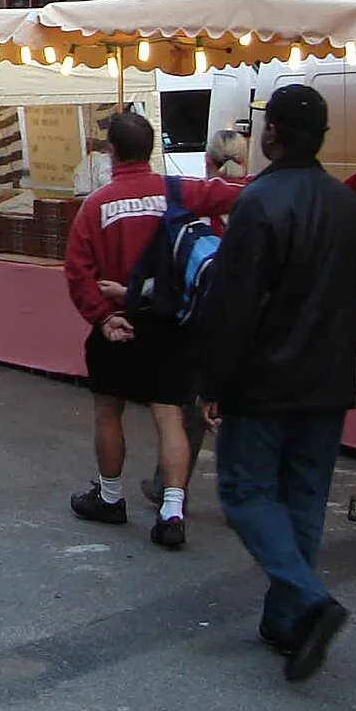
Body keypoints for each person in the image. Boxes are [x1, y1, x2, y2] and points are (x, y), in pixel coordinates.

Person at [195, 86, 356, 682]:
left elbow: (234, 302)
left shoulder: (261, 201)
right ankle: (287, 617)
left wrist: (214, 380)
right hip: (327, 375)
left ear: (272, 134)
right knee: (302, 498)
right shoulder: (345, 204)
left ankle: (308, 597)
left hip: (268, 375)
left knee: (246, 492)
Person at [63, 111, 245, 549]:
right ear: (150, 150)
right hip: (169, 324)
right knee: (170, 417)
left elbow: (77, 271)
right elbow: (236, 195)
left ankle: (109, 497)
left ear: (112, 153)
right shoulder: (177, 190)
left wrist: (102, 317)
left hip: (117, 325)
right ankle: (172, 511)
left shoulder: (95, 206)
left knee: (109, 412)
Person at [142, 126, 250, 511]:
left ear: (208, 162)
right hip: (246, 322)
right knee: (241, 411)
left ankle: (171, 487)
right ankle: (241, 495)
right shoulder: (255, 204)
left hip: (199, 323)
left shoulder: (196, 206)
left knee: (188, 410)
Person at [72, 132, 114, 196]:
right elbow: (105, 181)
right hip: (94, 196)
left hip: (78, 198)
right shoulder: (103, 159)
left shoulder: (81, 164)